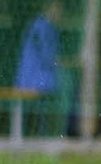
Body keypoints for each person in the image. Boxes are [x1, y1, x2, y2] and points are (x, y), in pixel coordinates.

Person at [14, 1, 64, 136]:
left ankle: (42, 133)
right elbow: (46, 55)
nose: (60, 14)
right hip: (32, 78)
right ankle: (39, 134)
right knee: (41, 104)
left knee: (45, 104)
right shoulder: (39, 27)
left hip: (42, 78)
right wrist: (58, 62)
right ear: (48, 9)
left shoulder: (50, 28)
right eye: (57, 10)